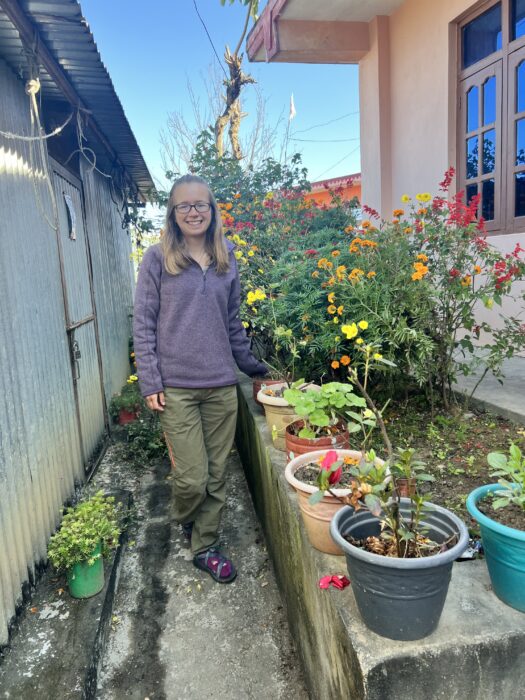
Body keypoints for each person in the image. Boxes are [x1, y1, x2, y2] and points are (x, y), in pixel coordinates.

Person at [133, 174, 267, 583]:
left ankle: (204, 545)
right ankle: (188, 516)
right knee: (191, 478)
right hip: (177, 389)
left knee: (216, 474)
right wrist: (150, 381)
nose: (193, 212)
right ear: (173, 214)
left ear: (213, 211)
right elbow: (144, 323)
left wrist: (257, 370)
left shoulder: (227, 259)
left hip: (221, 388)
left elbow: (232, 326)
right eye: (184, 206)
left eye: (200, 205)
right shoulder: (158, 259)